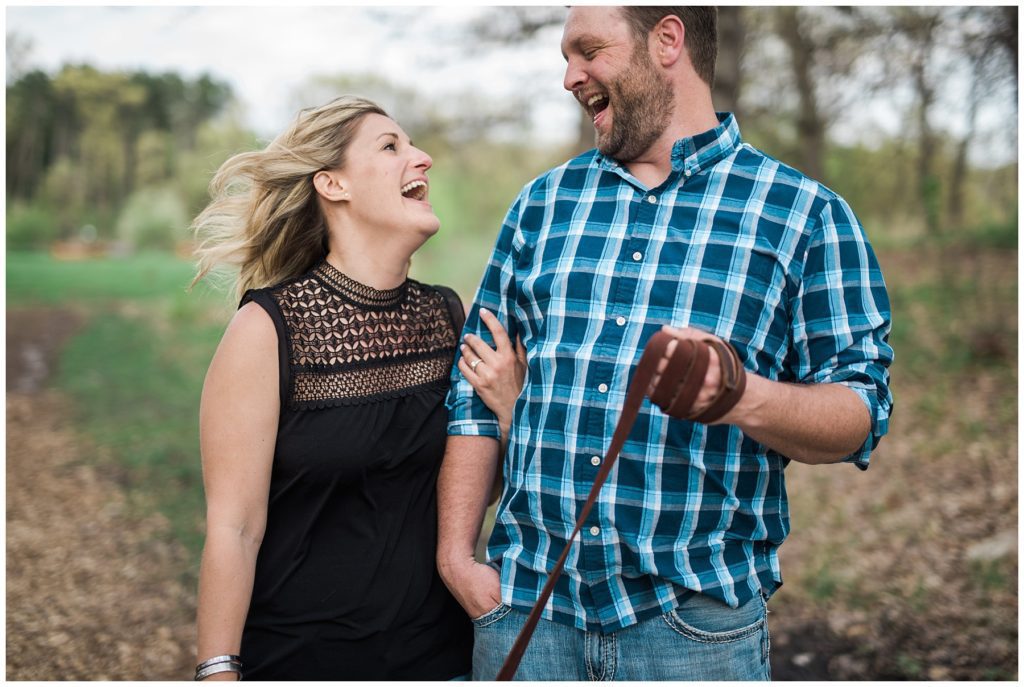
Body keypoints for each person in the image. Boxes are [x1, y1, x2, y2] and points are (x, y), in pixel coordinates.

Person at [437, 6, 893, 681]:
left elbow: (860, 414)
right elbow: (473, 395)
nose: (570, 76)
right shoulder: (540, 205)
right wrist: (457, 559)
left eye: (589, 50)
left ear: (668, 40)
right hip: (526, 618)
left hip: (691, 635)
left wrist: (742, 396)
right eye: (566, 56)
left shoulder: (804, 214)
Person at [189, 95, 521, 681]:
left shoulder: (446, 316)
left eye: (411, 144)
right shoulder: (266, 329)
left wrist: (509, 411)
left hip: (440, 658)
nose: (422, 158)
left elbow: (477, 491)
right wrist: (218, 672)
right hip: (301, 660)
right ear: (332, 184)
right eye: (390, 146)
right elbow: (234, 529)